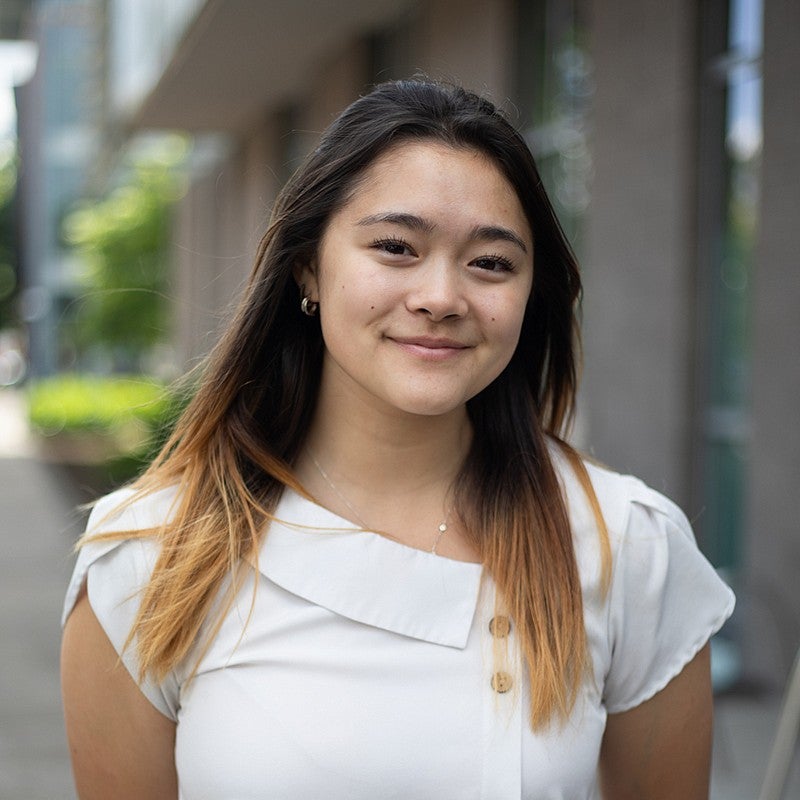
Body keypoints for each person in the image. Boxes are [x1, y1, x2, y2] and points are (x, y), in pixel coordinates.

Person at [60, 80, 734, 800]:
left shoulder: (627, 546)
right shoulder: (152, 558)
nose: (441, 297)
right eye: (395, 247)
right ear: (308, 265)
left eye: (491, 263)